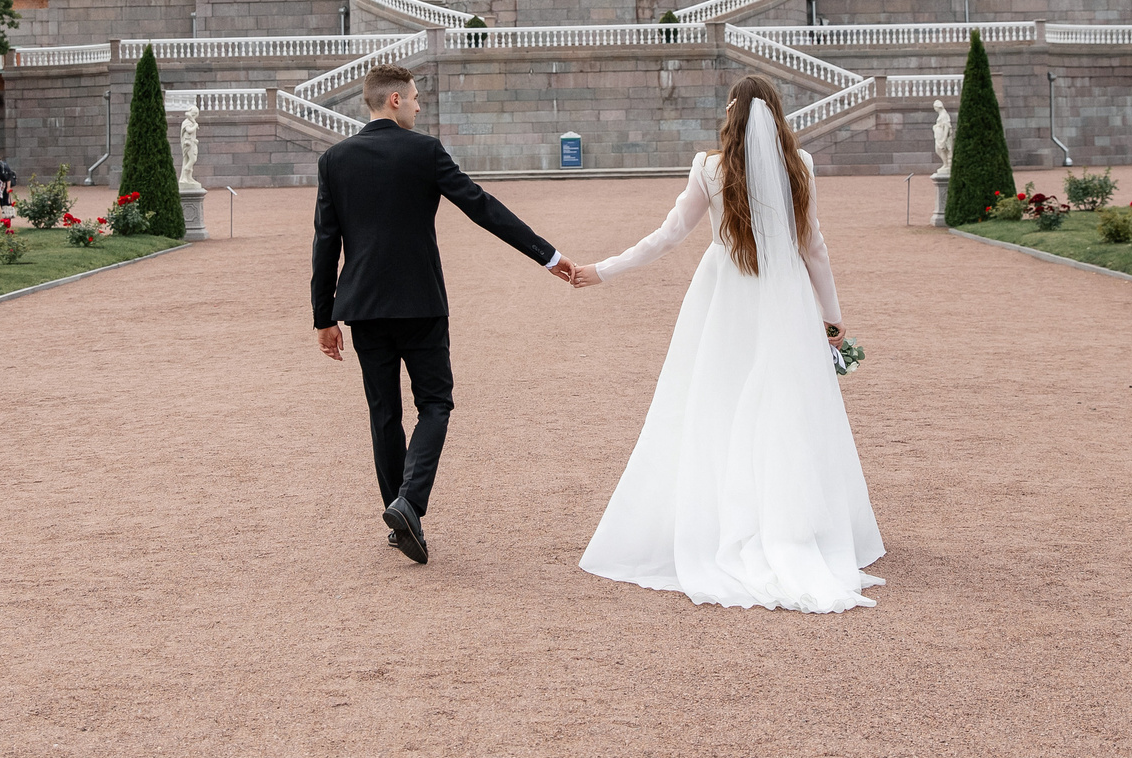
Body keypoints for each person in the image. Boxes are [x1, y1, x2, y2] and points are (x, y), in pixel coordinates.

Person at [565, 74, 883, 613]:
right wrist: (832, 318)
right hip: (786, 302)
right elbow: (815, 249)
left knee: (713, 406)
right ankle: (789, 523)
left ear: (732, 114)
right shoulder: (799, 165)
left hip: (725, 302)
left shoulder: (709, 168)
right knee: (786, 411)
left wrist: (603, 270)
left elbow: (666, 238)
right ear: (775, 116)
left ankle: (719, 520)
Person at [312, 63, 577, 565]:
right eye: (413, 98)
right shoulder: (424, 151)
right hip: (420, 304)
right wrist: (547, 255)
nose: (417, 104)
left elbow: (326, 243)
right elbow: (482, 207)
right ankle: (409, 503)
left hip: (364, 308)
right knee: (435, 404)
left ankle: (398, 513)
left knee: (384, 412)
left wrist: (322, 317)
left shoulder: (335, 160)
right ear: (393, 101)